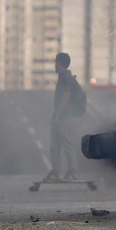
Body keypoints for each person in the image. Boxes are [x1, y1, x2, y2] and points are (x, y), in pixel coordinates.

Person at [45, 52, 81, 182]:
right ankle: (55, 172)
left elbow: (65, 96)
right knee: (55, 146)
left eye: (56, 62)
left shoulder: (66, 77)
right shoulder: (63, 77)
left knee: (67, 144)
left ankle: (72, 172)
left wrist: (57, 115)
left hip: (65, 117)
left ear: (60, 63)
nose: (54, 65)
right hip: (61, 117)